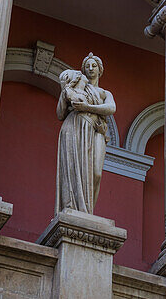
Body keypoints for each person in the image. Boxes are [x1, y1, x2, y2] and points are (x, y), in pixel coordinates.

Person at [55, 53, 116, 214]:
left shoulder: (104, 93)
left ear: (100, 69)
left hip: (96, 130)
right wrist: (64, 92)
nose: (90, 68)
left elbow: (111, 108)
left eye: (94, 65)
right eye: (87, 66)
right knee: (74, 168)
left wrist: (87, 108)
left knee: (96, 173)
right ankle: (75, 209)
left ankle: (87, 211)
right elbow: (61, 114)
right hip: (74, 126)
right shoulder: (76, 87)